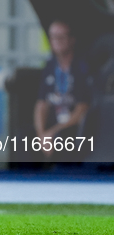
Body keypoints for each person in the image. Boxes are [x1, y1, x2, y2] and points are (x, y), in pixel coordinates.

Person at [34, 20, 91, 160]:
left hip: (72, 126)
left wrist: (53, 132)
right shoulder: (49, 67)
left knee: (63, 138)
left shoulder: (81, 68)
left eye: (61, 37)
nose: (57, 41)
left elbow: (82, 109)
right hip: (52, 125)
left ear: (72, 40)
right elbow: (41, 105)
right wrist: (41, 135)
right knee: (22, 138)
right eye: (53, 37)